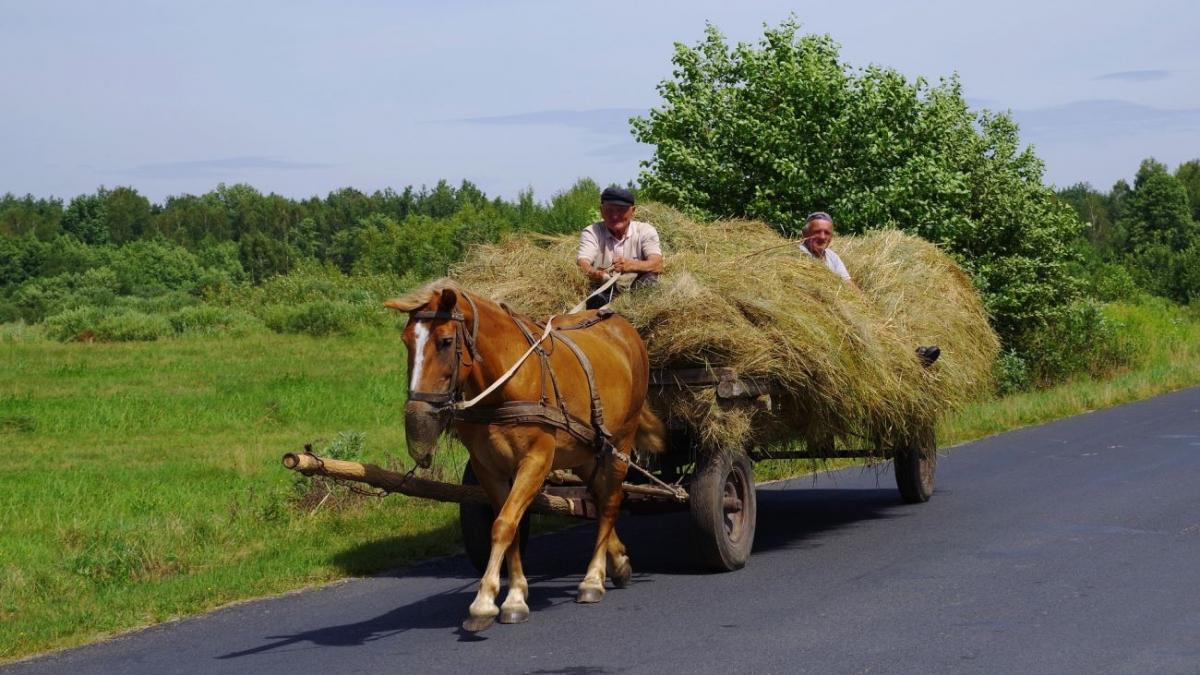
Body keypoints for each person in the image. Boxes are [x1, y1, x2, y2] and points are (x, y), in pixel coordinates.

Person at [800, 211, 940, 367]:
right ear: (805, 234)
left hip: (840, 303)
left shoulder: (832, 256)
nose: (822, 237)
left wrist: (866, 305)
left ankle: (912, 354)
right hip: (821, 308)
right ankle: (896, 361)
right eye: (817, 232)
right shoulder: (800, 255)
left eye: (827, 233)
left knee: (883, 318)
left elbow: (848, 283)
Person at [576, 187, 663, 309]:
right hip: (604, 289)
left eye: (621, 210)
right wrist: (594, 273)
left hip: (636, 290)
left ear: (633, 211)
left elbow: (657, 264)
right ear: (601, 211)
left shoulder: (645, 231)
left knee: (650, 282)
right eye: (609, 210)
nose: (615, 216)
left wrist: (631, 265)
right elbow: (583, 261)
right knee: (594, 298)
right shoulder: (592, 232)